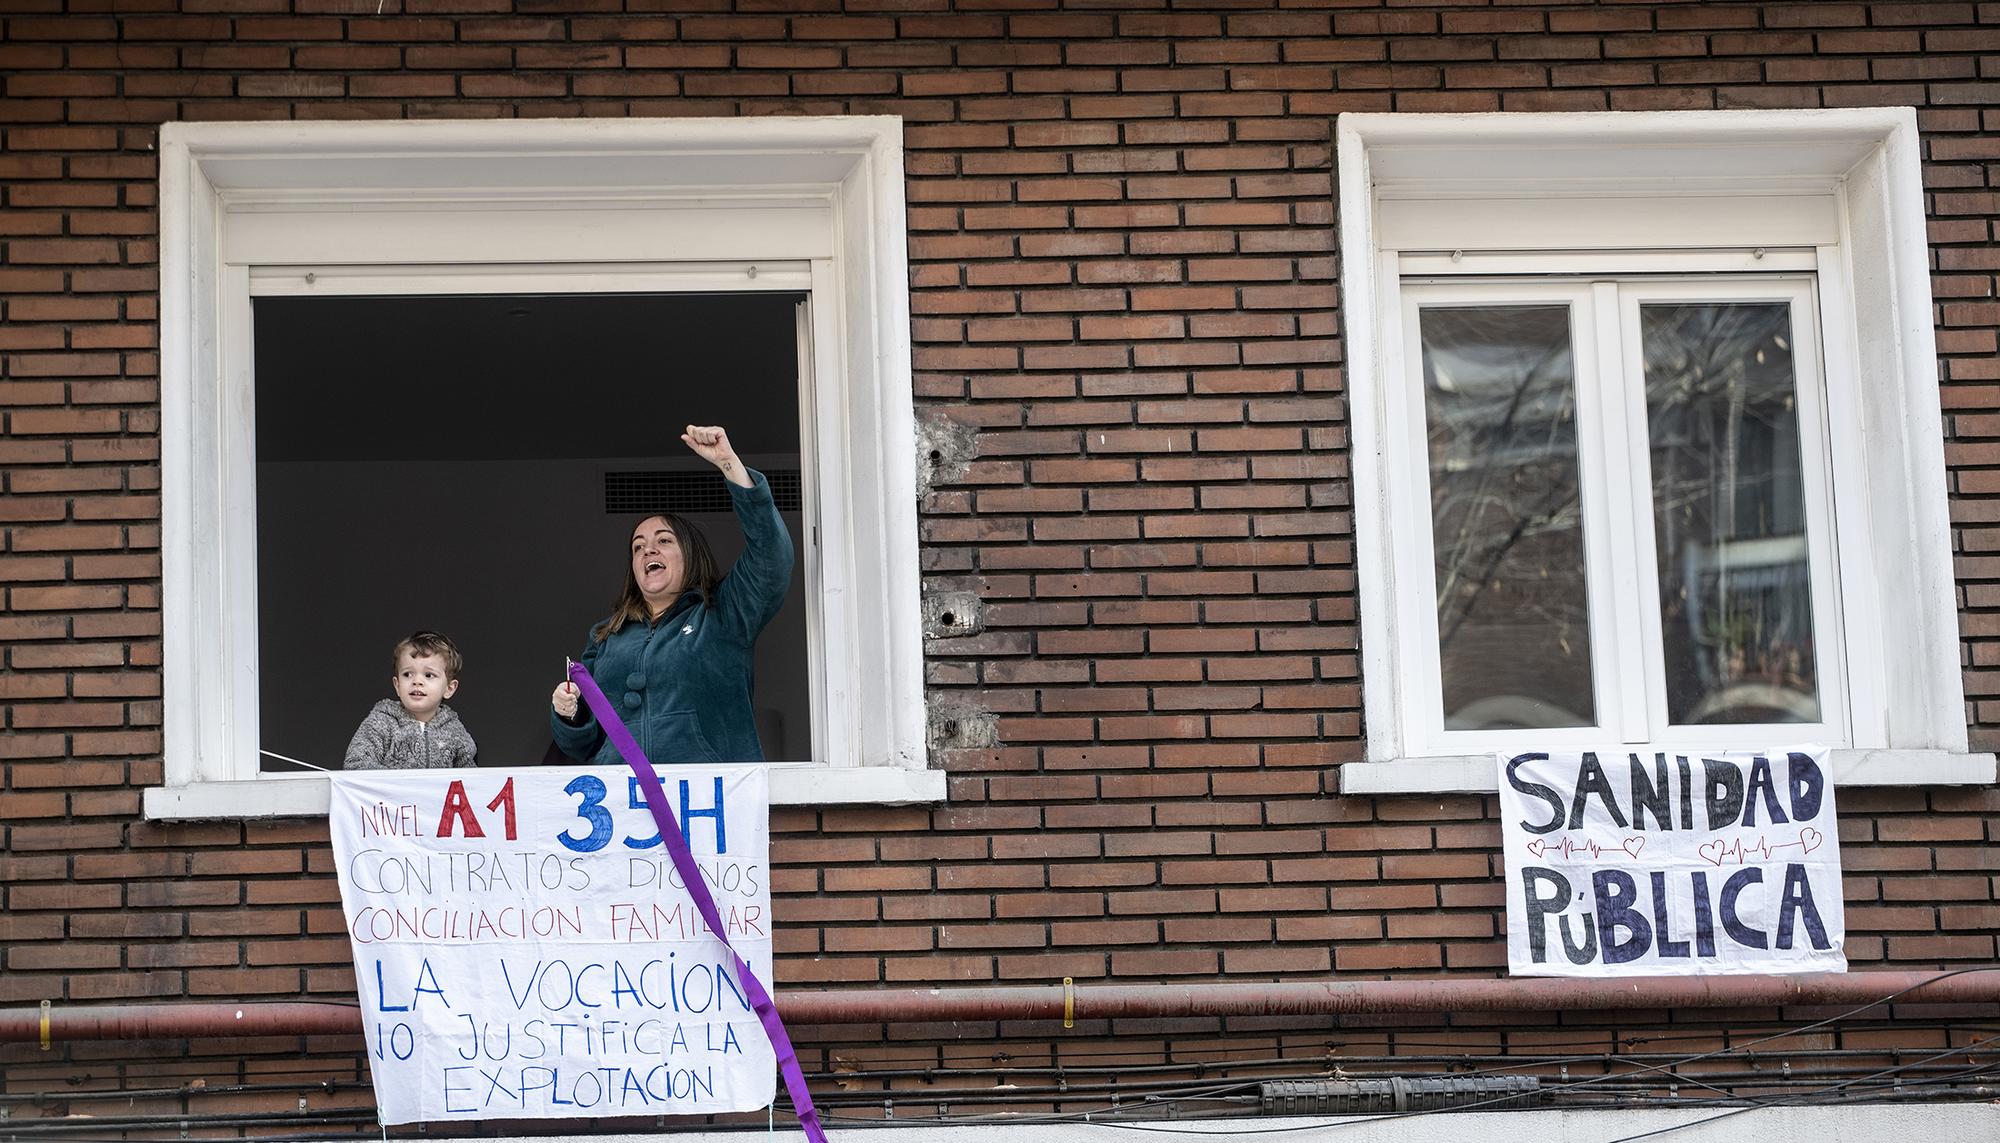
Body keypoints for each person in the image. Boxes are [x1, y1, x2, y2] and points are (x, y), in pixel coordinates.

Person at [550, 425, 794, 765]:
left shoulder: (725, 613)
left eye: (663, 541)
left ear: (690, 554)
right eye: (638, 547)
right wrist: (568, 712)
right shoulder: (605, 636)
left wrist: (729, 464)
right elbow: (581, 743)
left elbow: (771, 557)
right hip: (621, 801)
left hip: (703, 798)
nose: (648, 550)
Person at [343, 631, 478, 770]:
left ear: (449, 688)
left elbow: (471, 779)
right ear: (397, 685)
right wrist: (402, 781)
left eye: (429, 675)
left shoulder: (455, 731)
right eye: (408, 674)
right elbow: (355, 764)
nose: (417, 681)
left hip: (435, 793)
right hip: (391, 792)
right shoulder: (381, 722)